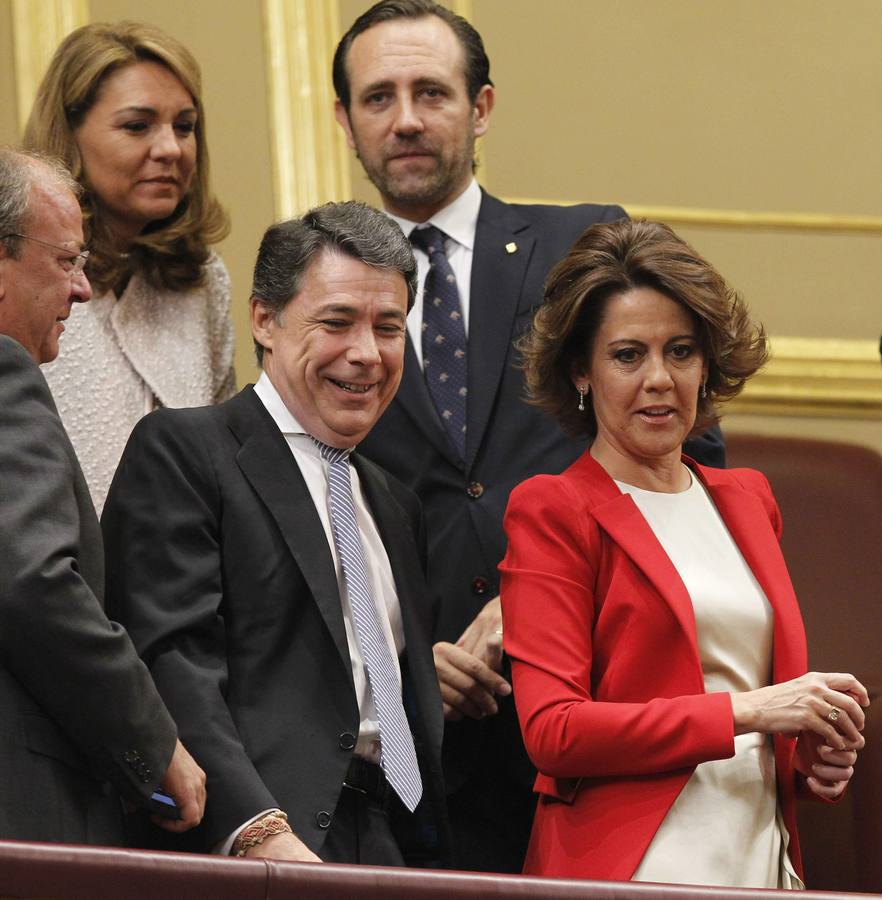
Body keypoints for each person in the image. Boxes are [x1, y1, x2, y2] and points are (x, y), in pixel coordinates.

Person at [331, 0, 726, 872]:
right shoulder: (319, 295)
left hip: (605, 720)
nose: (405, 119)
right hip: (422, 753)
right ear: (345, 122)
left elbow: (691, 456)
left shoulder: (581, 245)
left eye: (431, 92)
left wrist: (542, 598)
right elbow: (307, 500)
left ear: (481, 109)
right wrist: (395, 669)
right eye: (378, 97)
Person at [499, 217, 869, 886]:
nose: (660, 379)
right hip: (633, 867)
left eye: (680, 351)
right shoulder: (552, 508)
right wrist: (751, 711)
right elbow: (554, 731)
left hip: (760, 853)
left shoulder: (747, 499)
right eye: (627, 355)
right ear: (581, 369)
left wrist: (810, 761)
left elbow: (750, 707)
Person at [102, 201, 448, 866]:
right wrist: (257, 831)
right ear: (264, 319)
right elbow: (169, 660)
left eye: (389, 327)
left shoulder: (397, 507)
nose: (367, 354)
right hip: (244, 847)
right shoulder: (186, 451)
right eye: (338, 323)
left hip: (388, 848)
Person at [0, 147, 205, 844]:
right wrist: (154, 745)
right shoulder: (6, 375)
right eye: (65, 262)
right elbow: (34, 582)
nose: (82, 290)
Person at [24, 21, 235, 514]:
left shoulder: (203, 278)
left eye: (184, 127)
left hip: (190, 575)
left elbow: (224, 456)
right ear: (70, 136)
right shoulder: (20, 269)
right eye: (137, 126)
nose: (171, 149)